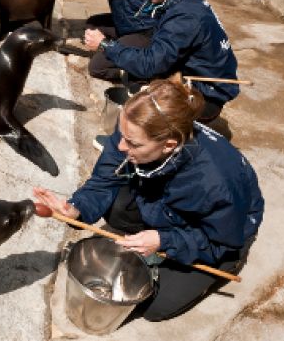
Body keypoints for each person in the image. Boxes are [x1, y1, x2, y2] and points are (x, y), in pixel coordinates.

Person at [33, 79, 263, 321]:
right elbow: (105, 180)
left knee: (155, 307)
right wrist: (76, 208)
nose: (121, 145)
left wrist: (164, 240)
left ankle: (225, 266)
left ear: (169, 145)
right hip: (168, 200)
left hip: (222, 235)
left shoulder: (215, 183)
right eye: (121, 135)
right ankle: (161, 230)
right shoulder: (133, 129)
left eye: (132, 143)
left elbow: (222, 240)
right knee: (117, 211)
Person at [84, 0, 239, 124]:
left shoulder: (185, 17)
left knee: (140, 112)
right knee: (138, 78)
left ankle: (170, 139)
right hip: (190, 75)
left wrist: (105, 45)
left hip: (205, 96)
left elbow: (149, 64)